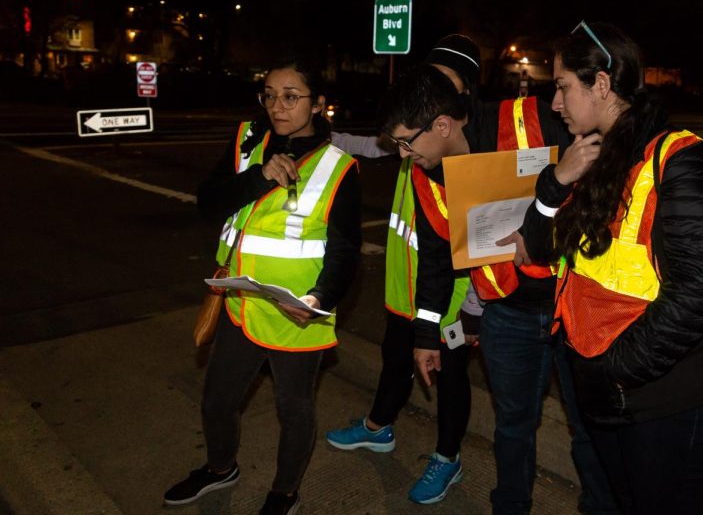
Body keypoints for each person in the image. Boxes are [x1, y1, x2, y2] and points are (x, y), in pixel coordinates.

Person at [380, 59, 618, 514]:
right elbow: (433, 262)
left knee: (590, 428)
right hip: (506, 313)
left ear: (444, 124)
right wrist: (427, 336)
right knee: (512, 425)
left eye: (406, 142)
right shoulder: (423, 178)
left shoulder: (534, 119)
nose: (402, 154)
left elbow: (610, 156)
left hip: (576, 305)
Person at [523, 20, 703, 514]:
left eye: (563, 87)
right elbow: (538, 249)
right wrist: (555, 183)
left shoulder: (679, 159)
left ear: (601, 84)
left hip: (667, 399)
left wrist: (614, 370)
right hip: (610, 392)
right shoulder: (591, 155)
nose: (555, 104)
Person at [164, 56, 361, 515]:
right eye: (269, 95)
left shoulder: (339, 167)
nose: (278, 105)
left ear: (319, 105)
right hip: (242, 302)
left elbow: (346, 250)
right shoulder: (248, 145)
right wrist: (258, 177)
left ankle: (284, 493)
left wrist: (319, 300)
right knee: (217, 400)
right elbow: (208, 203)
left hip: (297, 313)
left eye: (291, 96)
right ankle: (220, 469)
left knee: (293, 409)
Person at [325, 34, 483, 506]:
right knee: (396, 360)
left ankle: (447, 456)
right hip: (406, 285)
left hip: (452, 297)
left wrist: (473, 309)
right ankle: (378, 426)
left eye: (445, 82)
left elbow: (486, 240)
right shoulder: (410, 141)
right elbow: (368, 143)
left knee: (451, 379)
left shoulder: (468, 154)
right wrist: (316, 137)